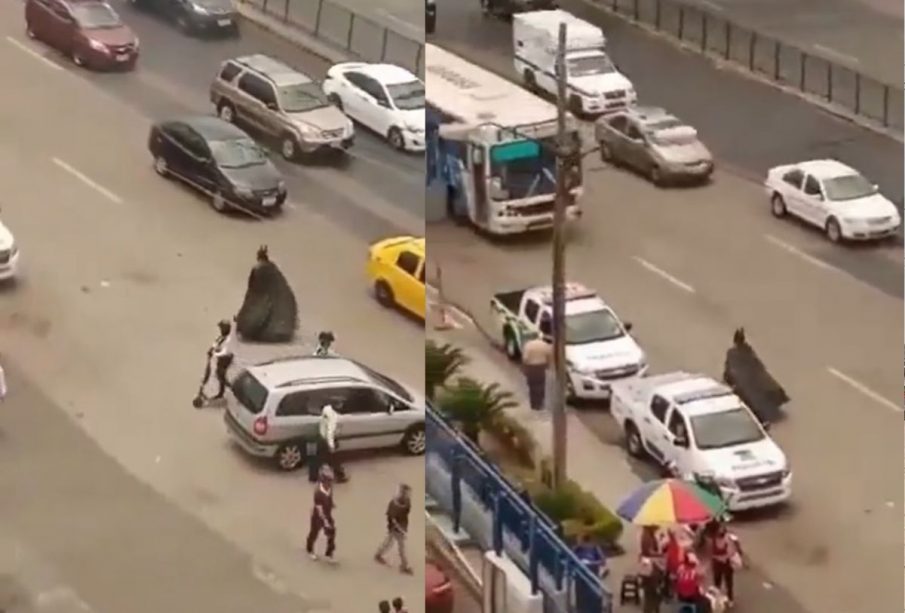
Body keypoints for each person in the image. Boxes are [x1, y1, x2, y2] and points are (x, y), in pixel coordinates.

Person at [375, 484, 413, 574]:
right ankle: (404, 565)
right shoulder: (395, 504)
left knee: (389, 542)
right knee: (400, 547)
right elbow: (392, 518)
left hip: (400, 526)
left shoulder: (406, 502)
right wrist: (400, 529)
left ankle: (378, 554)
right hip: (396, 528)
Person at [306, 465, 336, 562]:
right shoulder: (318, 492)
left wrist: (332, 504)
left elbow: (330, 497)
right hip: (318, 516)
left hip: (327, 513)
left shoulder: (330, 488)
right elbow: (319, 510)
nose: (331, 482)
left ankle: (329, 553)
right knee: (314, 533)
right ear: (323, 480)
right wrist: (325, 521)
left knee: (332, 532)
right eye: (329, 480)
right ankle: (309, 550)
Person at [710, 523, 743, 606]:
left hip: (727, 564)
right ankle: (717, 600)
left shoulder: (728, 539)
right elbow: (711, 553)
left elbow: (732, 551)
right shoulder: (713, 540)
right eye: (719, 529)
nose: (720, 531)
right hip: (717, 564)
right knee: (717, 583)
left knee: (729, 582)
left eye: (722, 528)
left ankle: (730, 599)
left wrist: (724, 557)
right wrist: (719, 558)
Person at [315, 403, 346, 483]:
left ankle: (317, 476)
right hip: (327, 440)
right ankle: (340, 477)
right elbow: (330, 432)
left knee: (324, 459)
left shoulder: (326, 410)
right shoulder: (332, 417)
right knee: (334, 459)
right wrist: (331, 446)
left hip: (321, 437)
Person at [521, 334, 552, 410]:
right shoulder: (544, 345)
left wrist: (524, 368)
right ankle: (540, 403)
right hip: (541, 367)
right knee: (541, 385)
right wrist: (548, 365)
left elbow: (525, 358)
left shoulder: (528, 345)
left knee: (532, 386)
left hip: (531, 367)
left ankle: (534, 404)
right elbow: (549, 356)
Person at [209, 318, 235, 399]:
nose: (220, 329)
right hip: (221, 359)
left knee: (221, 375)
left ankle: (232, 389)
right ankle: (222, 392)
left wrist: (215, 354)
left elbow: (225, 351)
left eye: (222, 328)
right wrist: (212, 348)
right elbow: (217, 343)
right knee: (220, 375)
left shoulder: (228, 339)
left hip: (225, 359)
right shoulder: (222, 337)